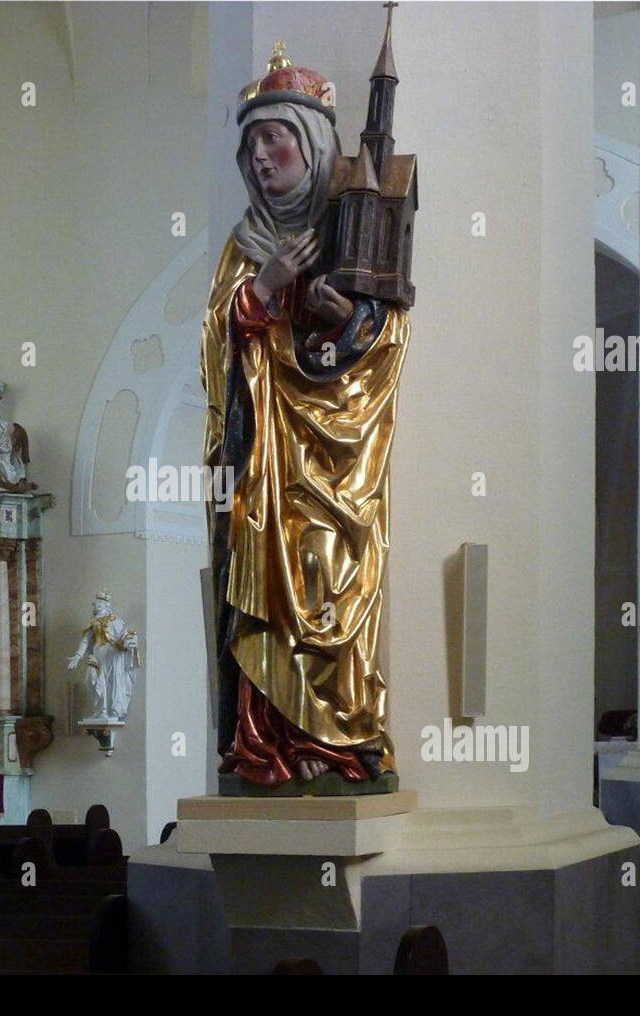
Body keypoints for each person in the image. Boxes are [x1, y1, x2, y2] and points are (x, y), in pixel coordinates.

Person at [201, 42, 409, 788]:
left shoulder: (352, 226)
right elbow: (217, 345)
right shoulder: (243, 247)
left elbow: (387, 332)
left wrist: (340, 313)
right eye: (252, 144)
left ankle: (338, 740)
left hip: (336, 461)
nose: (262, 157)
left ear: (312, 140)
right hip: (263, 463)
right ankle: (266, 745)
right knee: (263, 591)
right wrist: (264, 287)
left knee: (330, 574)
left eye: (274, 139)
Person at [66, 591, 139, 722]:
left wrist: (130, 641)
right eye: (96, 603)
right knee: (91, 680)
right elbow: (86, 640)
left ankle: (107, 712)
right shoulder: (93, 622)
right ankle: (100, 710)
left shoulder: (115, 620)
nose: (97, 605)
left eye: (100, 603)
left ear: (106, 605)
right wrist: (78, 656)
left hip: (112, 656)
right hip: (96, 656)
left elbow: (124, 638)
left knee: (109, 682)